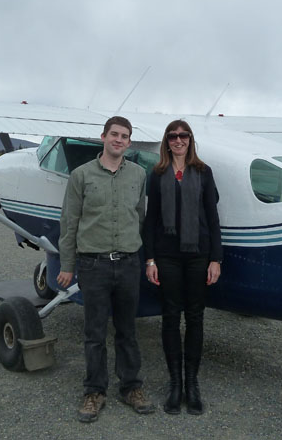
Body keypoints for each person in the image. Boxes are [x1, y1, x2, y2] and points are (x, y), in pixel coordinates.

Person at [57, 116, 155, 423]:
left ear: (129, 142)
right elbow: (70, 222)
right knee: (94, 333)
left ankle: (131, 387)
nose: (119, 140)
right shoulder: (81, 175)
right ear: (103, 137)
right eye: (114, 134)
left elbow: (140, 216)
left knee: (127, 330)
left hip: (128, 264)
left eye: (125, 136)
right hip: (93, 266)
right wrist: (68, 265)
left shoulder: (139, 175)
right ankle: (94, 391)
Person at [143, 119, 222, 415]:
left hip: (198, 254)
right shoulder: (158, 173)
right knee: (170, 317)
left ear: (190, 139)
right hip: (167, 255)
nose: (178, 140)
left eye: (183, 136)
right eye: (173, 136)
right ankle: (175, 384)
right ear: (166, 141)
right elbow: (150, 220)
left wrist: (216, 258)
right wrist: (149, 259)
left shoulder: (203, 172)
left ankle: (193, 384)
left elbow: (213, 217)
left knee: (196, 317)